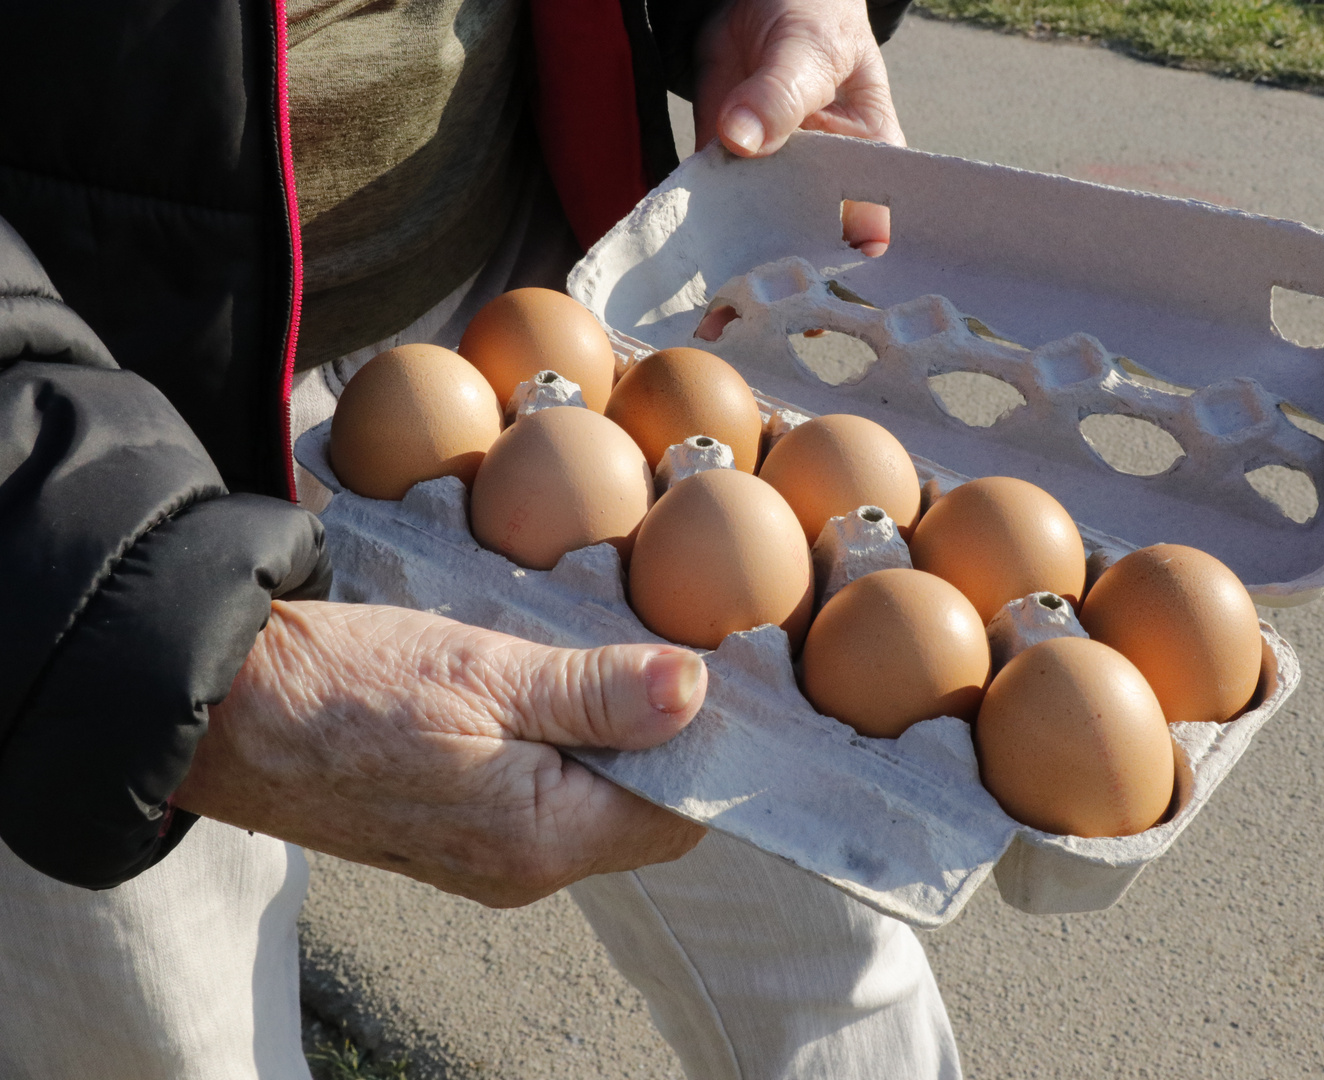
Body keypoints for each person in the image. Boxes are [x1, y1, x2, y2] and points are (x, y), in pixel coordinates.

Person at [0, 1, 954, 1076]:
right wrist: (106, 601)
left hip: (529, 305)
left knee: (827, 959)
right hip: (101, 420)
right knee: (161, 1033)